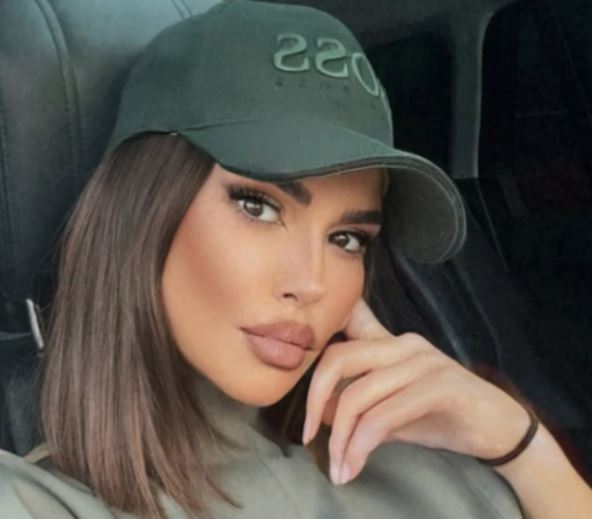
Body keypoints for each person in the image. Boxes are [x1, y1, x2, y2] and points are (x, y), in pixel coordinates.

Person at [1, 1, 591, 518]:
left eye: (348, 239)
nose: (311, 283)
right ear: (140, 212)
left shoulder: (436, 471)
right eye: (257, 206)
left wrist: (522, 445)